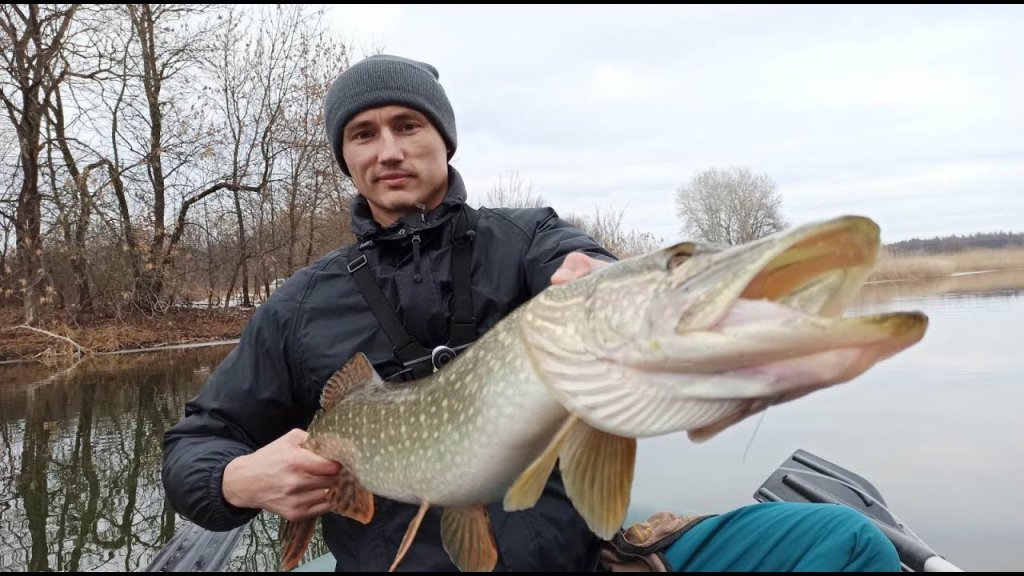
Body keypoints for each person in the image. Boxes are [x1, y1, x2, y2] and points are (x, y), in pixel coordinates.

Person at [162, 54, 900, 572]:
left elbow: (579, 262)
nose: (389, 148)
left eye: (408, 125)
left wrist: (601, 276)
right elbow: (195, 444)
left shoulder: (524, 240)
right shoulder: (298, 306)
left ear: (442, 138)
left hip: (579, 558)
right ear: (346, 157)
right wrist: (238, 482)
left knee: (846, 540)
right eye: (364, 133)